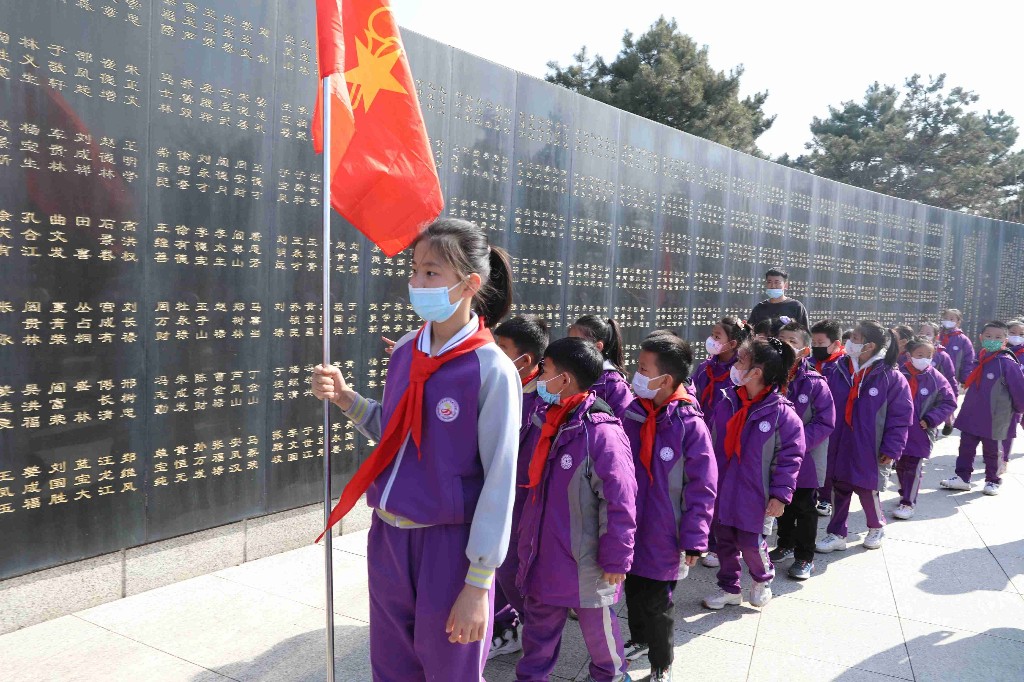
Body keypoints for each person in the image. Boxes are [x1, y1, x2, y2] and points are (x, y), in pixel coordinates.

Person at [309, 219, 520, 679]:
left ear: (470, 283)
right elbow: (395, 435)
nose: (417, 282)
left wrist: (478, 583)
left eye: (431, 273)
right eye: (414, 270)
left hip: (449, 548)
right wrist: (346, 399)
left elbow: (500, 481)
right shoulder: (407, 350)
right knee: (391, 669)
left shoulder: (491, 369)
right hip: (388, 538)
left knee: (449, 670)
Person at [515, 337, 637, 682]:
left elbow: (620, 501)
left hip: (586, 563)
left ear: (564, 379)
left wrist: (617, 558)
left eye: (546, 371)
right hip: (543, 555)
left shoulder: (601, 434)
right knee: (537, 636)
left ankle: (612, 675)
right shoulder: (548, 420)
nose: (540, 378)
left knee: (599, 633)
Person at [619, 333, 717, 681]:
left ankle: (661, 661)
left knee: (658, 603)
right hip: (630, 527)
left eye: (643, 369)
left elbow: (702, 486)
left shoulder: (689, 425)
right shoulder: (633, 414)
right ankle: (639, 639)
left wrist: (695, 538)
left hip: (665, 532)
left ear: (666, 379)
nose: (637, 374)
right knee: (633, 591)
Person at [702, 337, 805, 609]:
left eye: (740, 361)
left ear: (756, 372)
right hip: (723, 489)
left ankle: (762, 579)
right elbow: (711, 443)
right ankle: (729, 587)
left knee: (751, 542)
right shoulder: (728, 401)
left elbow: (790, 458)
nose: (734, 366)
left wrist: (780, 495)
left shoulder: (782, 414)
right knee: (723, 541)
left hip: (755, 494)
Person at [815, 321, 913, 554]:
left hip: (870, 445)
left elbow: (901, 417)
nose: (850, 342)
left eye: (855, 338)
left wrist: (892, 448)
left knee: (867, 488)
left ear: (870, 346)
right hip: (839, 442)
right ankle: (837, 533)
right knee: (839, 487)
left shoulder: (890, 376)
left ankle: (876, 526)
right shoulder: (838, 369)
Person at [489, 314, 550, 658]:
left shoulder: (545, 400)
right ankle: (504, 625)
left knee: (512, 568)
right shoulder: (496, 385)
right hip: (494, 495)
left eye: (501, 348)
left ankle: (530, 626)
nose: (493, 354)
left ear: (525, 360)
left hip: (524, 502)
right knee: (494, 567)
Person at [773, 323, 835, 580]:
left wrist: (796, 442)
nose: (785, 344)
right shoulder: (770, 376)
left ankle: (805, 557)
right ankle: (785, 543)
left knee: (804, 507)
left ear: (805, 349)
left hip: (806, 458)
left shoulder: (814, 382)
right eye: (781, 339)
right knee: (781, 503)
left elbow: (825, 421)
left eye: (792, 340)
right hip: (776, 455)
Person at [941, 321, 1024, 496]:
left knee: (992, 451)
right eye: (988, 336)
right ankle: (962, 477)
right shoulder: (981, 358)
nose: (992, 340)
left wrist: (1017, 410)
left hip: (995, 417)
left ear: (1005, 340)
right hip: (972, 413)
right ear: (981, 338)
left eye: (998, 337)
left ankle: (992, 480)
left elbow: (1019, 390)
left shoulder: (1007, 362)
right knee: (965, 448)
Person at [894, 337, 957, 519]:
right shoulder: (898, 374)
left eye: (929, 355)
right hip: (898, 430)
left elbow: (949, 402)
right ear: (909, 355)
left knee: (913, 467)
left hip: (920, 432)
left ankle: (908, 502)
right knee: (900, 465)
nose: (924, 359)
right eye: (920, 355)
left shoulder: (936, 378)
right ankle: (904, 492)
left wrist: (931, 419)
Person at [568, 315, 633, 420]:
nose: (569, 347)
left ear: (598, 347)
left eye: (577, 343)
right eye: (569, 342)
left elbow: (624, 424)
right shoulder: (566, 373)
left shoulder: (614, 385)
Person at [693, 317, 751, 424]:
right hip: (702, 424)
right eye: (712, 335)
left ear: (732, 344)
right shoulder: (704, 368)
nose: (711, 340)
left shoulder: (738, 373)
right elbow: (692, 392)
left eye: (717, 337)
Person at [1002, 320, 1024, 474]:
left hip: (1019, 397)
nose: (1017, 336)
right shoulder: (999, 352)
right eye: (1013, 333)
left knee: (1010, 428)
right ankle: (994, 453)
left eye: (1021, 334)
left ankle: (1003, 458)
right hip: (1000, 397)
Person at [916, 320, 958, 391]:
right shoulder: (911, 352)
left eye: (928, 334)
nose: (923, 336)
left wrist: (953, 394)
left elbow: (949, 378)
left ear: (936, 337)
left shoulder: (942, 356)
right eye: (921, 333)